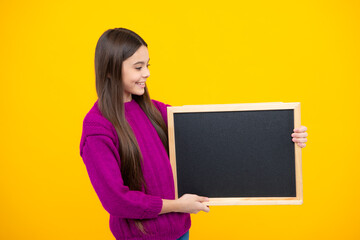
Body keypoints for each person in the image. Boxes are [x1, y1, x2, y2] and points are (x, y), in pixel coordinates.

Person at [79, 28, 308, 240]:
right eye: (138, 67)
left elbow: (218, 133)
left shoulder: (155, 110)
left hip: (181, 231)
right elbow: (117, 201)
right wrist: (178, 205)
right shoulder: (98, 129)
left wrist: (282, 129)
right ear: (109, 71)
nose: (147, 73)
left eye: (148, 65)